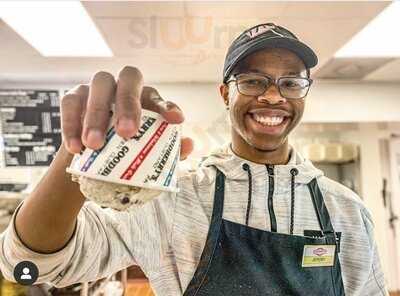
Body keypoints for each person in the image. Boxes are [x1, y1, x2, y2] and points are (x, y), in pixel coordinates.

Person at [0, 23, 388, 296]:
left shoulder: (346, 211)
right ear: (225, 93)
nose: (273, 96)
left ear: (304, 92)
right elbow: (26, 266)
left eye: (291, 82)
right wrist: (81, 149)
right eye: (253, 81)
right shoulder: (170, 200)